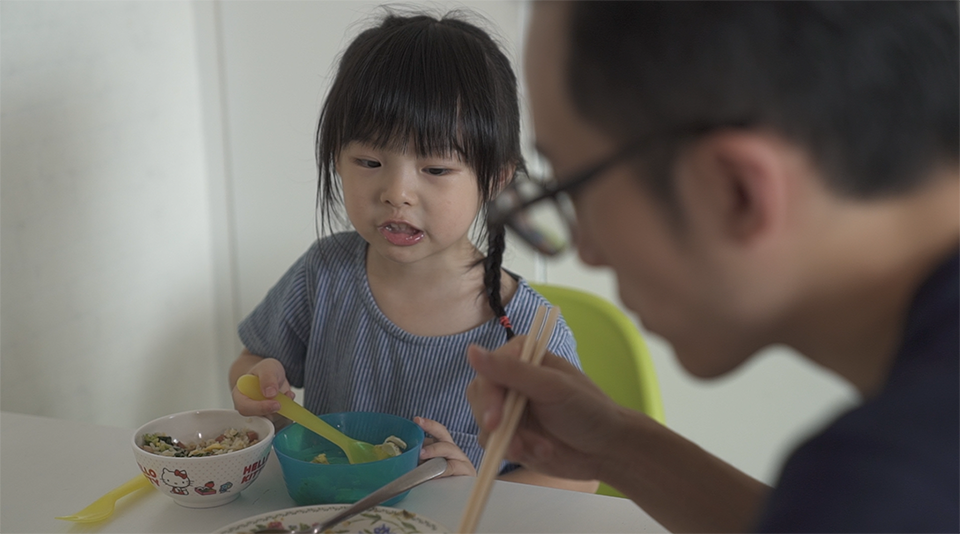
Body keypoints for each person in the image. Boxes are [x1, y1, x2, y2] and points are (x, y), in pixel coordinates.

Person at [467, 0, 960, 531]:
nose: (588, 250)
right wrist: (615, 446)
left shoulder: (890, 482)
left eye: (571, 189)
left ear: (734, 193)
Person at [227, 10, 595, 493]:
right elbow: (250, 362)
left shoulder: (527, 334)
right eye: (370, 161)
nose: (397, 192)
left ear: (497, 179)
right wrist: (257, 382)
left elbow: (580, 475)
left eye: (437, 169)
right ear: (337, 159)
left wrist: (480, 486)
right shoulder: (324, 275)